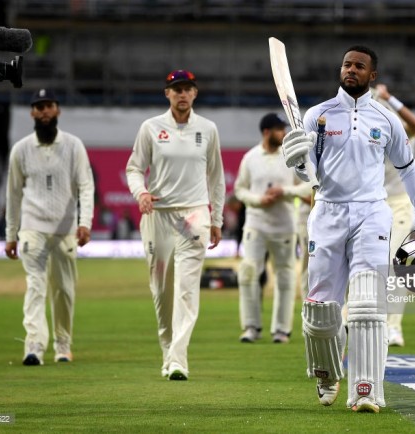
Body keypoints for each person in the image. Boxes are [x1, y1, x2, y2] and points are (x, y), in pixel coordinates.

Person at [281, 46, 415, 413]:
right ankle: (327, 372)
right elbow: (306, 169)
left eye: (359, 66)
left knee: (368, 306)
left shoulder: (386, 119)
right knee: (322, 309)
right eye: (347, 64)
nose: (351, 70)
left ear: (372, 75)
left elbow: (408, 169)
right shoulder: (317, 115)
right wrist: (296, 162)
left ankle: (366, 390)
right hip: (326, 210)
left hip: (372, 213)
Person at [126, 70, 225, 381]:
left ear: (195, 94)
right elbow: (133, 168)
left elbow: (216, 178)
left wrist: (217, 218)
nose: (182, 94)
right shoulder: (151, 128)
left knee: (186, 290)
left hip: (193, 216)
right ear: (166, 93)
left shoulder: (208, 129)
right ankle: (168, 351)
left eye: (187, 89)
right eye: (176, 89)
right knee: (162, 291)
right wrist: (140, 192)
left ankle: (178, 359)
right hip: (158, 215)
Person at [4, 88, 94, 366]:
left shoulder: (73, 145)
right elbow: (13, 194)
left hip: (65, 228)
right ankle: (34, 346)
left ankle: (63, 344)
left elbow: (86, 186)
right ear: (32, 112)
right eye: (39, 107)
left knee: (64, 290)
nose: (44, 111)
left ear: (57, 110)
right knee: (35, 286)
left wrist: (84, 222)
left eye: (49, 106)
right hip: (32, 227)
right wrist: (11, 235)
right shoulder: (21, 149)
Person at [234, 113, 312, 344]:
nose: (284, 133)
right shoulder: (250, 158)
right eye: (279, 129)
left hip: (285, 226)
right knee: (248, 274)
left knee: (286, 277)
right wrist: (258, 199)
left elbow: (309, 187)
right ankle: (250, 327)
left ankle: (281, 330)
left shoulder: (292, 157)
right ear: (266, 132)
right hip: (256, 224)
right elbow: (239, 190)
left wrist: (285, 191)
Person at [369, 84, 415, 348]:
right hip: (372, 204)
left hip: (399, 205)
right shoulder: (366, 130)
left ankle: (394, 328)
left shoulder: (399, 128)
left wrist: (391, 98)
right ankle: (352, 318)